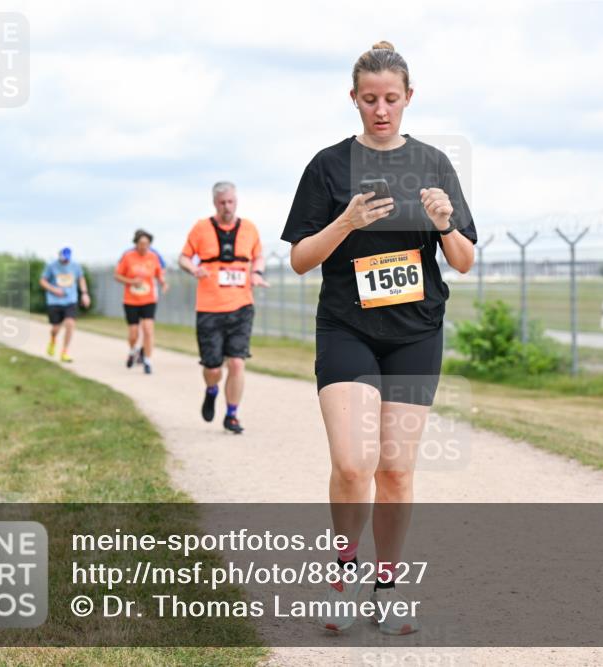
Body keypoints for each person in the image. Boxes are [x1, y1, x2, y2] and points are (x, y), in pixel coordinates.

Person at [281, 41, 476, 636]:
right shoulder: (328, 166)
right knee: (352, 460)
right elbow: (299, 260)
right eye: (370, 99)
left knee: (394, 468)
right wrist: (347, 221)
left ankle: (386, 582)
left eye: (392, 99)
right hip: (347, 325)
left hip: (416, 331)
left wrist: (443, 223)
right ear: (354, 99)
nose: (381, 109)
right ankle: (342, 572)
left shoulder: (434, 164)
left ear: (409, 98)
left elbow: (464, 260)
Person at [178, 181, 268, 434]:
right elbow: (183, 256)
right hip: (209, 307)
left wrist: (257, 273)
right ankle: (211, 390)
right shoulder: (201, 228)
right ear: (214, 203)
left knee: (237, 363)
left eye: (231, 202)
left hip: (241, 306)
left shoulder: (249, 228)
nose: (227, 207)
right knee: (213, 367)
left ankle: (232, 415)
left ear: (236, 201)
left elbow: (258, 255)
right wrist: (192, 267)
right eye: (222, 203)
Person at [115, 229, 168, 374]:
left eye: (147, 244)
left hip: (148, 298)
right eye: (141, 243)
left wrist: (163, 283)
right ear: (136, 244)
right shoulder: (128, 257)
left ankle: (147, 360)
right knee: (133, 333)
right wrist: (131, 281)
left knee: (148, 329)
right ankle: (133, 351)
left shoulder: (153, 257)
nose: (144, 246)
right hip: (131, 300)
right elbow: (117, 276)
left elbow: (159, 274)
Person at [39, 247, 90, 362]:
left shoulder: (75, 266)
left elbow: (81, 279)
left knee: (70, 323)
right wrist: (53, 290)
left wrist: (85, 294)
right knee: (55, 328)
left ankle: (64, 352)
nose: (65, 261)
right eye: (63, 259)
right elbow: (42, 281)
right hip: (54, 301)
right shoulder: (51, 266)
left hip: (70, 300)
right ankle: (53, 340)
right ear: (59, 256)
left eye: (67, 259)